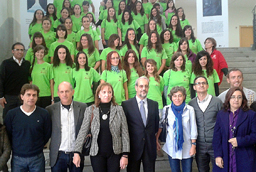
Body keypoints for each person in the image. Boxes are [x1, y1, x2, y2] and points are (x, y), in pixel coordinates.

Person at [72, 82, 129, 171]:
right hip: (96, 154)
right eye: (104, 92)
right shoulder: (90, 110)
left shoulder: (119, 110)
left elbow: (125, 133)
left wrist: (125, 155)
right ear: (98, 94)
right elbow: (83, 131)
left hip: (115, 153)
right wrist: (76, 152)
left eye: (109, 92)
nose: (107, 94)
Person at [4, 84, 51, 172]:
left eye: (34, 95)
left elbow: (47, 134)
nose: (31, 97)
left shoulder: (44, 114)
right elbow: (8, 134)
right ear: (22, 97)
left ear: (37, 97)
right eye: (28, 95)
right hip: (18, 158)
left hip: (37, 157)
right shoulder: (11, 114)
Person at [46, 81, 87, 172]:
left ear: (73, 92)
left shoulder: (83, 107)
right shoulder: (50, 110)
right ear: (58, 94)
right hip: (58, 154)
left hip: (76, 153)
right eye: (62, 92)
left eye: (67, 91)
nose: (64, 94)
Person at [213, 87, 256, 172]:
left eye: (239, 97)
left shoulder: (251, 115)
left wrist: (240, 141)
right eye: (233, 97)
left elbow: (254, 136)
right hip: (225, 157)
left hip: (244, 158)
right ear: (228, 98)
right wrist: (218, 155)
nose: (236, 100)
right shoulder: (221, 114)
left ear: (243, 99)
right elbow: (217, 137)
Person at [122, 76, 160, 172]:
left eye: (146, 86)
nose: (144, 88)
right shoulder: (126, 105)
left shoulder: (154, 105)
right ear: (136, 87)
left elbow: (155, 126)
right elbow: (124, 128)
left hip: (150, 147)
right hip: (133, 148)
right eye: (141, 86)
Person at [157, 86, 197, 172]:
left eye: (180, 95)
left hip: (187, 146)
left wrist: (193, 145)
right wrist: (157, 139)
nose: (177, 98)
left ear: (184, 97)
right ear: (171, 97)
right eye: (175, 96)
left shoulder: (190, 109)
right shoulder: (166, 109)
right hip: (171, 146)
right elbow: (161, 125)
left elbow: (193, 128)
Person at [188, 76, 223, 172]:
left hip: (215, 144)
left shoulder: (217, 102)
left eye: (203, 83)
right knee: (202, 170)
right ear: (194, 87)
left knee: (219, 169)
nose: (201, 85)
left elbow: (223, 122)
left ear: (207, 86)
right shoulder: (191, 104)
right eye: (198, 83)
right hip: (200, 145)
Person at [0, 42, 30, 120]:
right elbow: (1, 79)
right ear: (12, 51)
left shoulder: (27, 64)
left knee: (22, 118)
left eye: (22, 50)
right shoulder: (6, 63)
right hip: (9, 97)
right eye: (17, 50)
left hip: (23, 97)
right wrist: (1, 96)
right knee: (8, 118)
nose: (20, 52)